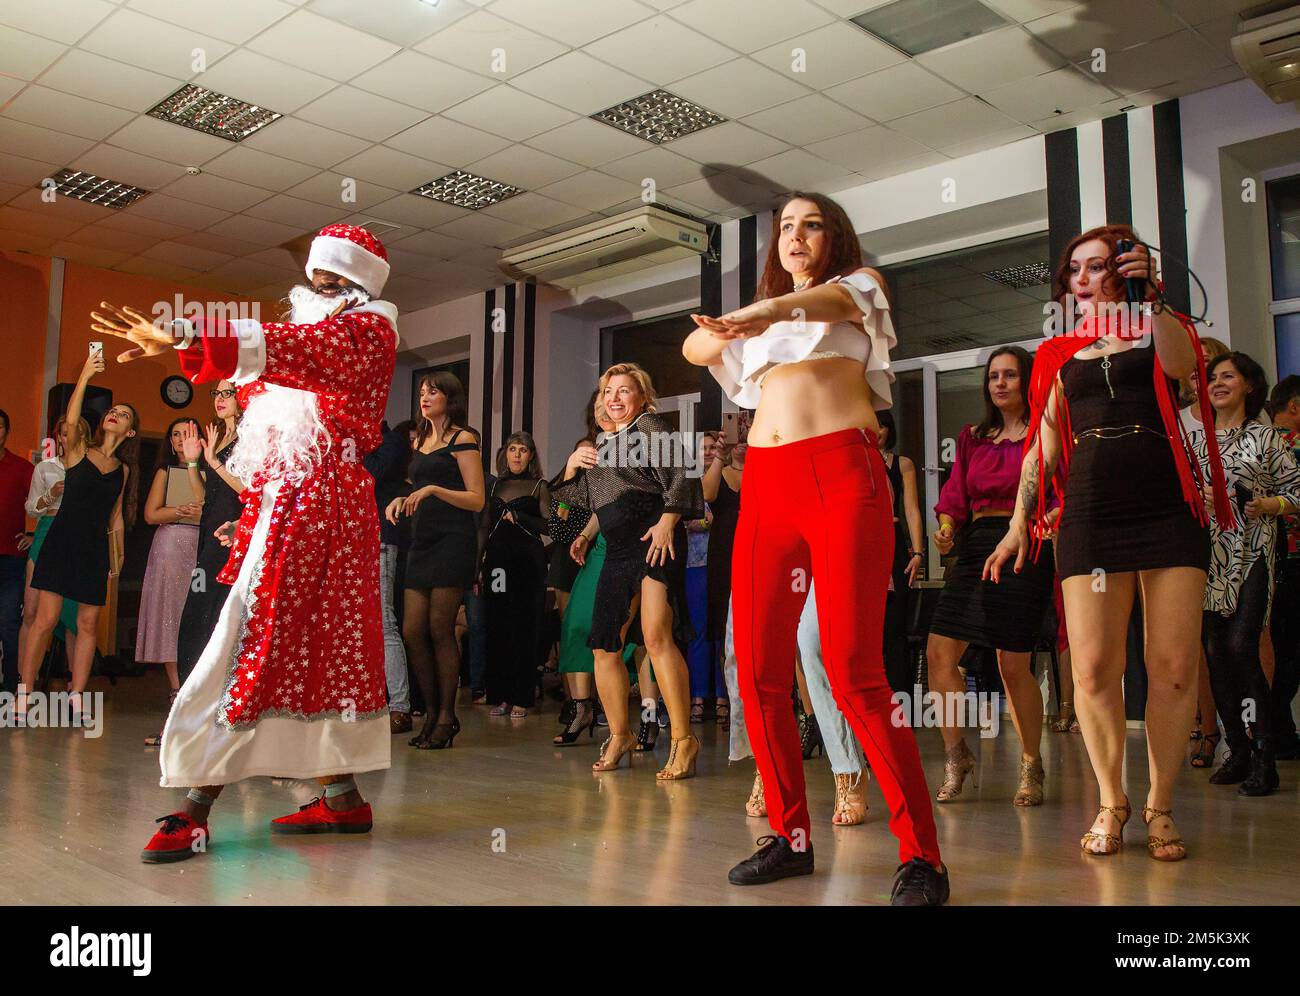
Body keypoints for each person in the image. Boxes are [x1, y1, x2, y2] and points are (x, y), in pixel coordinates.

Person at [95, 223, 399, 861]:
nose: (317, 291)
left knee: (252, 643)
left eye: (333, 282)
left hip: (327, 509)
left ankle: (195, 808)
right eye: (314, 280)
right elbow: (275, 436)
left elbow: (294, 349)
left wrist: (183, 333)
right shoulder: (321, 337)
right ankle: (342, 799)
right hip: (299, 508)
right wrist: (256, 512)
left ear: (360, 286)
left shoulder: (367, 333)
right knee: (310, 651)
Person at [684, 191, 947, 905]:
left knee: (855, 668)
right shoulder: (763, 324)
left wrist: (761, 312)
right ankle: (789, 838)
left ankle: (921, 854)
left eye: (812, 224)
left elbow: (823, 305)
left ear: (836, 237)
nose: (796, 236)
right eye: (785, 228)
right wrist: (741, 321)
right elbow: (696, 348)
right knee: (761, 671)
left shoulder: (858, 290)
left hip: (841, 474)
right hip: (765, 486)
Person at [987, 223, 1233, 862]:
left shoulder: (1158, 329)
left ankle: (1160, 804)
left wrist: (1152, 297)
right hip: (1091, 516)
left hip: (1167, 510)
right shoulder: (1058, 356)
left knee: (1174, 668)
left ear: (1125, 271)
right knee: (1093, 670)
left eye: (1102, 266)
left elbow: (1184, 369)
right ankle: (1110, 800)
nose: (1088, 278)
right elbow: (1042, 447)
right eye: (1077, 270)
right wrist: (1019, 521)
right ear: (1067, 284)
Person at [926, 346, 1054, 806]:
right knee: (940, 651)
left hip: (1025, 543)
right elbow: (955, 492)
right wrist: (945, 529)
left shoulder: (1043, 431)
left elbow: (1056, 488)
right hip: (978, 540)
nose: (999, 383)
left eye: (1010, 376)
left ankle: (1030, 762)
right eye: (993, 376)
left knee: (1011, 663)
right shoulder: (973, 436)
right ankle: (957, 754)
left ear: (1027, 382)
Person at [569, 363, 704, 779]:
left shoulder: (650, 428)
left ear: (642, 397)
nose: (614, 397)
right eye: (608, 391)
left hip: (654, 538)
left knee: (655, 636)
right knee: (604, 644)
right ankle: (621, 734)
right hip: (617, 548)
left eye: (624, 390)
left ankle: (684, 740)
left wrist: (667, 521)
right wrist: (573, 464)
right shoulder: (604, 442)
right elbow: (578, 501)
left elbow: (682, 477)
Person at [1192, 352, 1300, 795]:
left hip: (1254, 551)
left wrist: (1269, 504)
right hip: (1208, 554)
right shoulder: (1197, 443)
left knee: (1242, 645)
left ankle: (1264, 754)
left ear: (1249, 386)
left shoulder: (1269, 438)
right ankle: (1235, 749)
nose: (1217, 383)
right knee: (1216, 652)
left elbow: (1295, 491)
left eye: (1227, 376)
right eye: (1212, 377)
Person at [19, 351, 136, 721]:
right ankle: (23, 694)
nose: (115, 414)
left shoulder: (124, 470)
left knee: (87, 625)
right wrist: (85, 373)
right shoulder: (78, 451)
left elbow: (115, 518)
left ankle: (77, 696)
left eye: (125, 414)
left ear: (130, 431)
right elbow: (70, 418)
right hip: (61, 542)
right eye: (112, 410)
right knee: (46, 620)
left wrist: (116, 561)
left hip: (93, 550)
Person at [389, 371, 484, 749]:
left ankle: (447, 716)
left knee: (440, 629)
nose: (425, 397)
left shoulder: (464, 439)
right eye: (422, 392)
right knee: (413, 630)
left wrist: (431, 489)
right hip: (422, 541)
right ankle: (430, 713)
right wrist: (404, 496)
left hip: (453, 540)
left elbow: (477, 498)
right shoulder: (422, 440)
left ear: (451, 397)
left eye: (433, 392)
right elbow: (419, 485)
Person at [136, 417, 203, 744]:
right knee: (170, 621)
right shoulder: (165, 470)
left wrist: (200, 515)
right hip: (170, 547)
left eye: (186, 433)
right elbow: (150, 515)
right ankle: (177, 701)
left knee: (200, 622)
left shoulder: (211, 469)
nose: (179, 439)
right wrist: (181, 511)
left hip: (203, 549)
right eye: (174, 433)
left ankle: (200, 708)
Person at [1179, 336, 1229, 764]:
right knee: (1197, 640)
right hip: (1189, 537)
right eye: (1195, 367)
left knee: (1247, 638)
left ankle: (1253, 731)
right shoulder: (1174, 420)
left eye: (1210, 365)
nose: (1203, 375)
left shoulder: (1249, 419)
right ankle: (1205, 727)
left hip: (1242, 540)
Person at [483, 431, 549, 719]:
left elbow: (550, 526)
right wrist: (478, 568)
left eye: (523, 450)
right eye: (513, 449)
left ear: (531, 455)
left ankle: (523, 696)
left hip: (528, 562)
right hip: (497, 563)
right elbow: (483, 527)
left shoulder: (539, 486)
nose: (517, 455)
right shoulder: (496, 485)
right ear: (505, 454)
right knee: (499, 625)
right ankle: (501, 695)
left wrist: (522, 517)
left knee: (525, 627)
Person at [19, 416, 86, 693]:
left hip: (77, 536)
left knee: (74, 615)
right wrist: (50, 495)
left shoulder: (90, 468)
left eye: (75, 432)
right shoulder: (46, 467)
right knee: (32, 610)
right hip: (47, 529)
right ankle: (23, 683)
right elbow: (31, 508)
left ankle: (75, 687)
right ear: (57, 437)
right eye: (64, 433)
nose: (68, 437)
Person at [364, 418, 414, 733]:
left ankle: (399, 706)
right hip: (352, 538)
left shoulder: (392, 439)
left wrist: (356, 447)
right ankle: (367, 701)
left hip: (381, 538)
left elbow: (370, 474)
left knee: (384, 622)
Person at [875, 409, 924, 693]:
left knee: (895, 626)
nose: (878, 431)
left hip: (893, 538)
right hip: (867, 540)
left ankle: (902, 701)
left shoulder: (902, 463)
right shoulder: (857, 460)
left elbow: (912, 509)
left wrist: (918, 552)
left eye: (882, 426)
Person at [1267, 375, 1300, 760]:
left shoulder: (1260, 439)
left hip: (1273, 560)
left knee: (1281, 647)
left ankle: (1278, 729)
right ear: (1293, 406)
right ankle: (1276, 726)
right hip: (1290, 557)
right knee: (1289, 649)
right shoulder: (1287, 443)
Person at [686, 430, 722, 722]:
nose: (708, 452)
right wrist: (703, 521)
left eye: (713, 447)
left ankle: (724, 696)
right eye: (704, 448)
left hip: (724, 563)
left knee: (723, 634)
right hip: (694, 565)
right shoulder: (688, 482)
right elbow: (687, 520)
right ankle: (698, 696)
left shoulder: (730, 479)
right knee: (698, 632)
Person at [0, 408, 35, 695]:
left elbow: (42, 504)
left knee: (9, 622)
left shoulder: (23, 468)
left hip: (11, 558)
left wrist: (34, 536)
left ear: (6, 431)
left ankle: (11, 684)